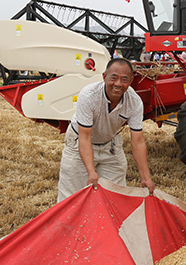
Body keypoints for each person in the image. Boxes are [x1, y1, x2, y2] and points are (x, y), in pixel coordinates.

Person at [57, 58, 155, 202]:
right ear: (104, 77)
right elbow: (85, 137)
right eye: (113, 78)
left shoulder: (134, 102)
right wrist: (91, 171)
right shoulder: (89, 96)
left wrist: (146, 178)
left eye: (124, 80)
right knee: (71, 198)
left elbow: (138, 141)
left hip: (110, 145)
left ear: (131, 81)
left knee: (116, 197)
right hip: (80, 143)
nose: (118, 84)